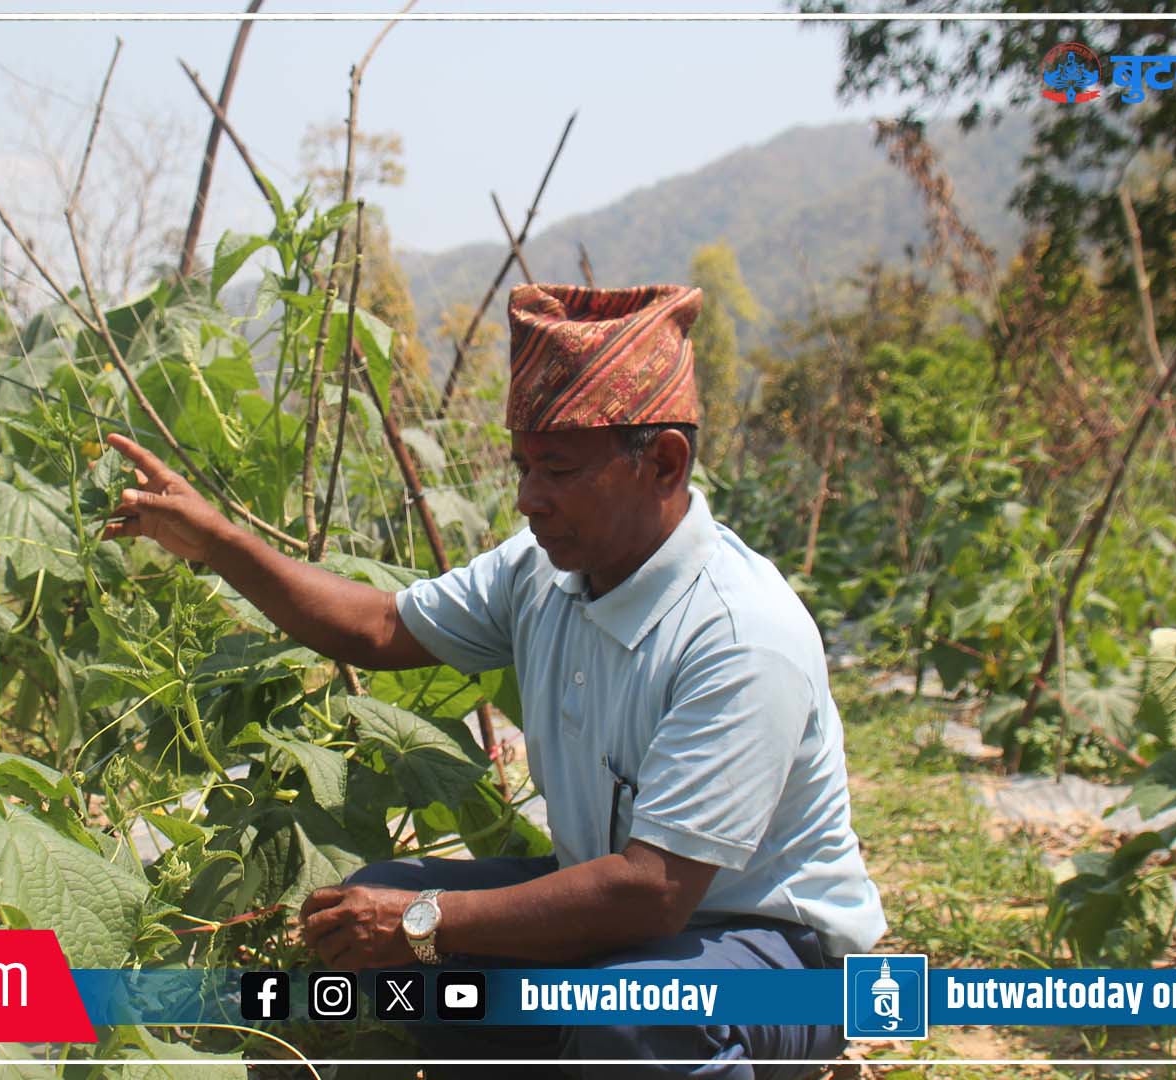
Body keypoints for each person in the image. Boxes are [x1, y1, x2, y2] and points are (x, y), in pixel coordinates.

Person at [104, 283, 885, 1079]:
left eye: (558, 469)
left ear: (663, 464)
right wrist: (217, 543)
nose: (527, 498)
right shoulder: (544, 570)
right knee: (372, 916)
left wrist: (426, 918)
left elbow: (653, 892)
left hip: (770, 951)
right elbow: (379, 627)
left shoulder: (740, 635)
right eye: (524, 466)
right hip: (616, 916)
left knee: (632, 1014)